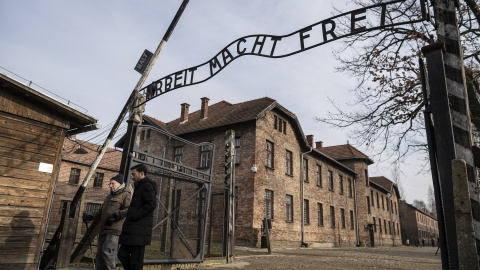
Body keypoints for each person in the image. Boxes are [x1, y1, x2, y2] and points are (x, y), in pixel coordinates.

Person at [83, 174, 131, 270]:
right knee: (100, 254)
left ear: (120, 184)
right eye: (110, 183)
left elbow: (128, 210)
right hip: (104, 228)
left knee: (107, 252)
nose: (110, 185)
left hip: (114, 229)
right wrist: (91, 216)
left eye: (113, 183)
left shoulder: (126, 194)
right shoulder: (109, 196)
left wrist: (115, 216)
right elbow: (101, 210)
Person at [118, 164, 157, 270]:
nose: (132, 176)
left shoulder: (146, 186)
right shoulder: (139, 186)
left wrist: (135, 215)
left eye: (133, 174)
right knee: (122, 254)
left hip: (140, 230)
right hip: (133, 229)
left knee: (136, 262)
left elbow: (152, 204)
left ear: (142, 173)